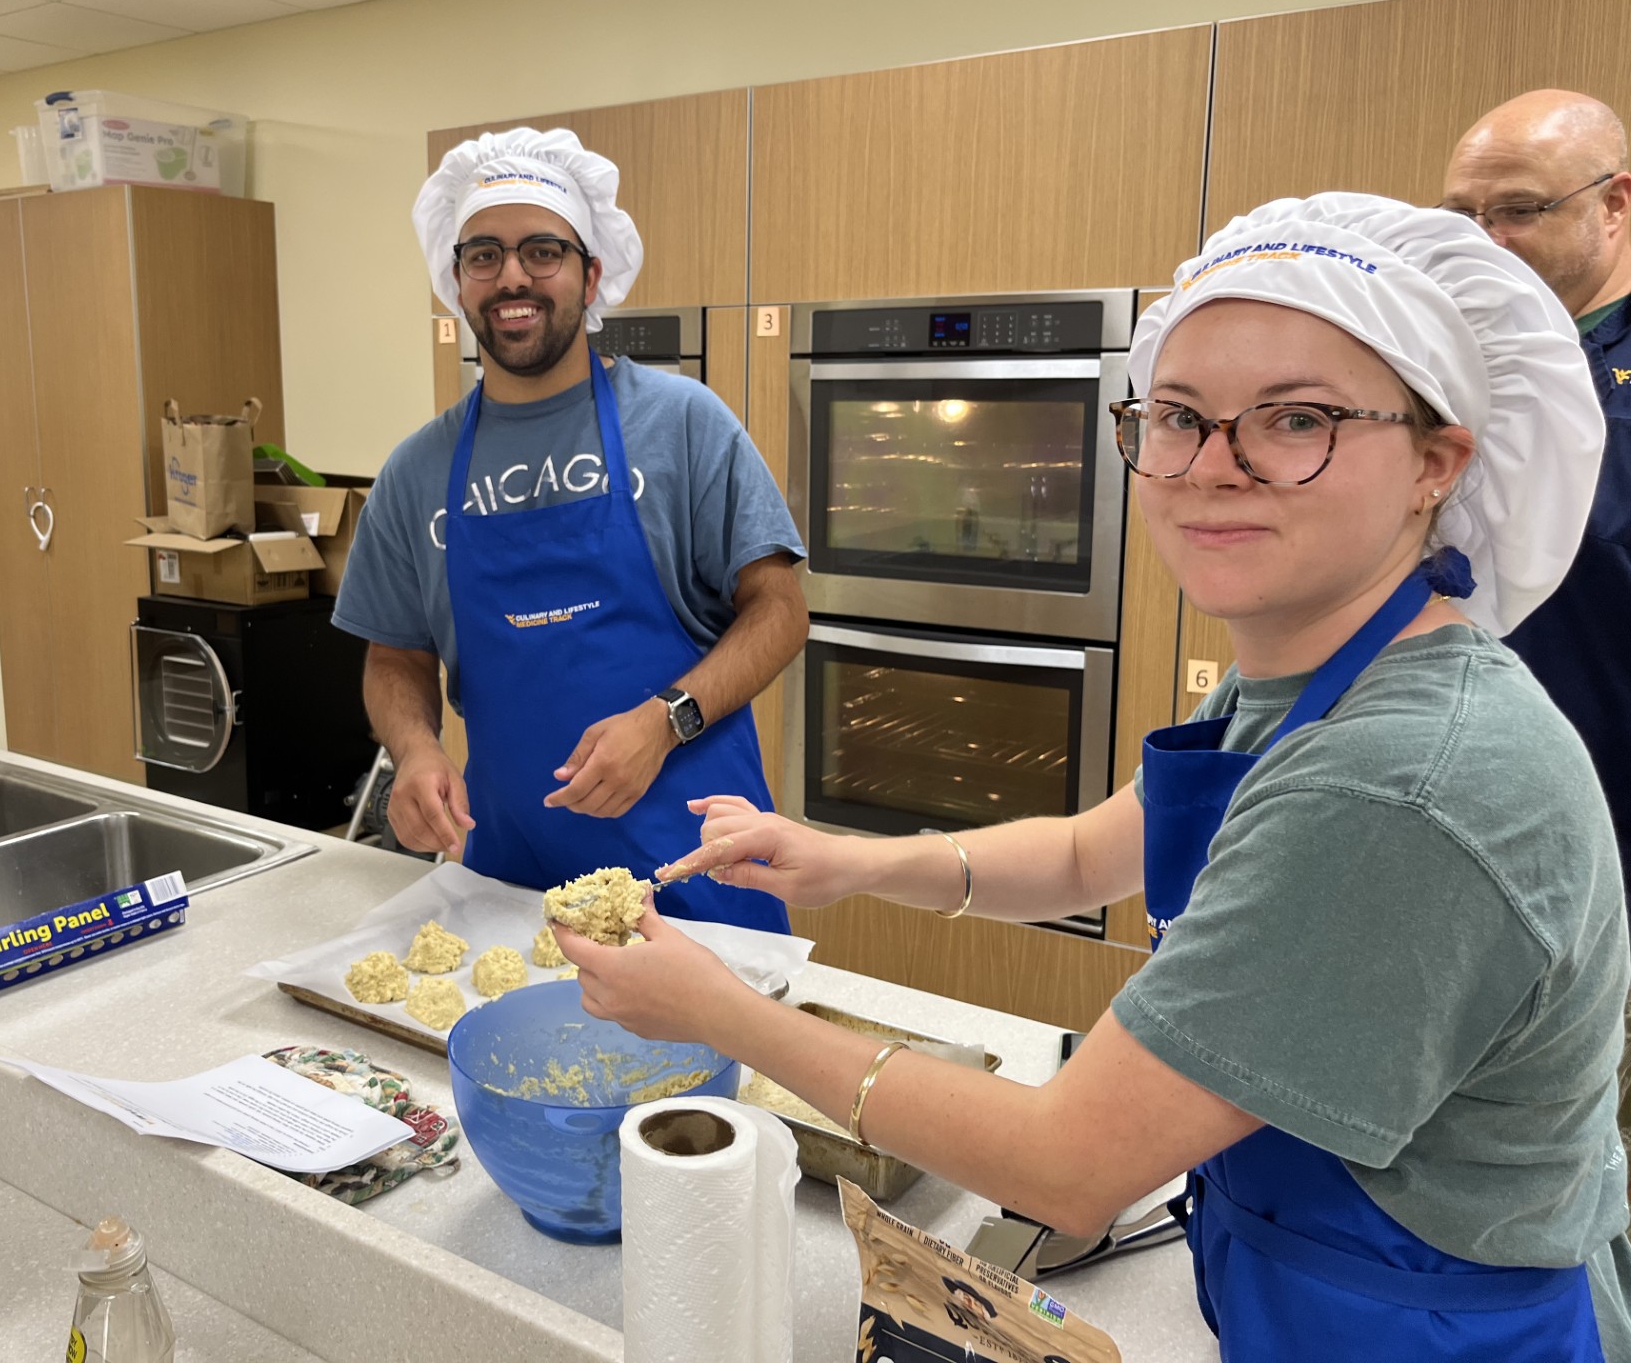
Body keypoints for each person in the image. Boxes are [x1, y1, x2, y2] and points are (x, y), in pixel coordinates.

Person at [556, 194, 1631, 1359]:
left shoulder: (1397, 785)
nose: (1214, 467)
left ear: (1437, 462)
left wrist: (722, 1013)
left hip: (1435, 1328)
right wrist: (844, 860)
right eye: (1179, 416)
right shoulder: (1319, 672)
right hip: (1308, 1287)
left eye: (1296, 420)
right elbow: (1086, 851)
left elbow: (1069, 1166)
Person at [333, 128, 805, 932]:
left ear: (590, 277)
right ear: (458, 281)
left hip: (696, 884)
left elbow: (780, 611)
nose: (511, 275)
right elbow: (394, 654)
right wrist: (415, 750)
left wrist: (665, 721)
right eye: (483, 254)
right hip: (510, 892)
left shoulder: (683, 425)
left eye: (541, 250)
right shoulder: (416, 470)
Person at [1442, 91, 1631, 872]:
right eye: (1462, 217)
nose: (1486, 242)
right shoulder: (1440, 364)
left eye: (1518, 209)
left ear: (1615, 204)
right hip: (1460, 800)